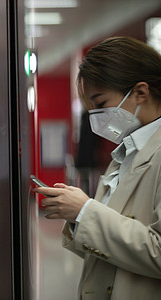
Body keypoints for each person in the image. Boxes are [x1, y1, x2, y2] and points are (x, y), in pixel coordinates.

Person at [34, 36, 161, 300]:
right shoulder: (126, 154)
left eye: (101, 104)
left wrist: (85, 212)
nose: (97, 118)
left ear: (140, 92)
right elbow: (110, 245)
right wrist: (77, 216)